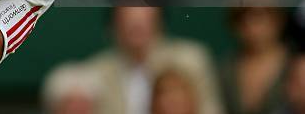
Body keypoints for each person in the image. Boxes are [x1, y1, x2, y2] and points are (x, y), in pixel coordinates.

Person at [83, 7, 224, 114]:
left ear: (159, 18)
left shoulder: (191, 60)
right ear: (113, 23)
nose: (136, 17)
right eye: (127, 8)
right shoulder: (94, 71)